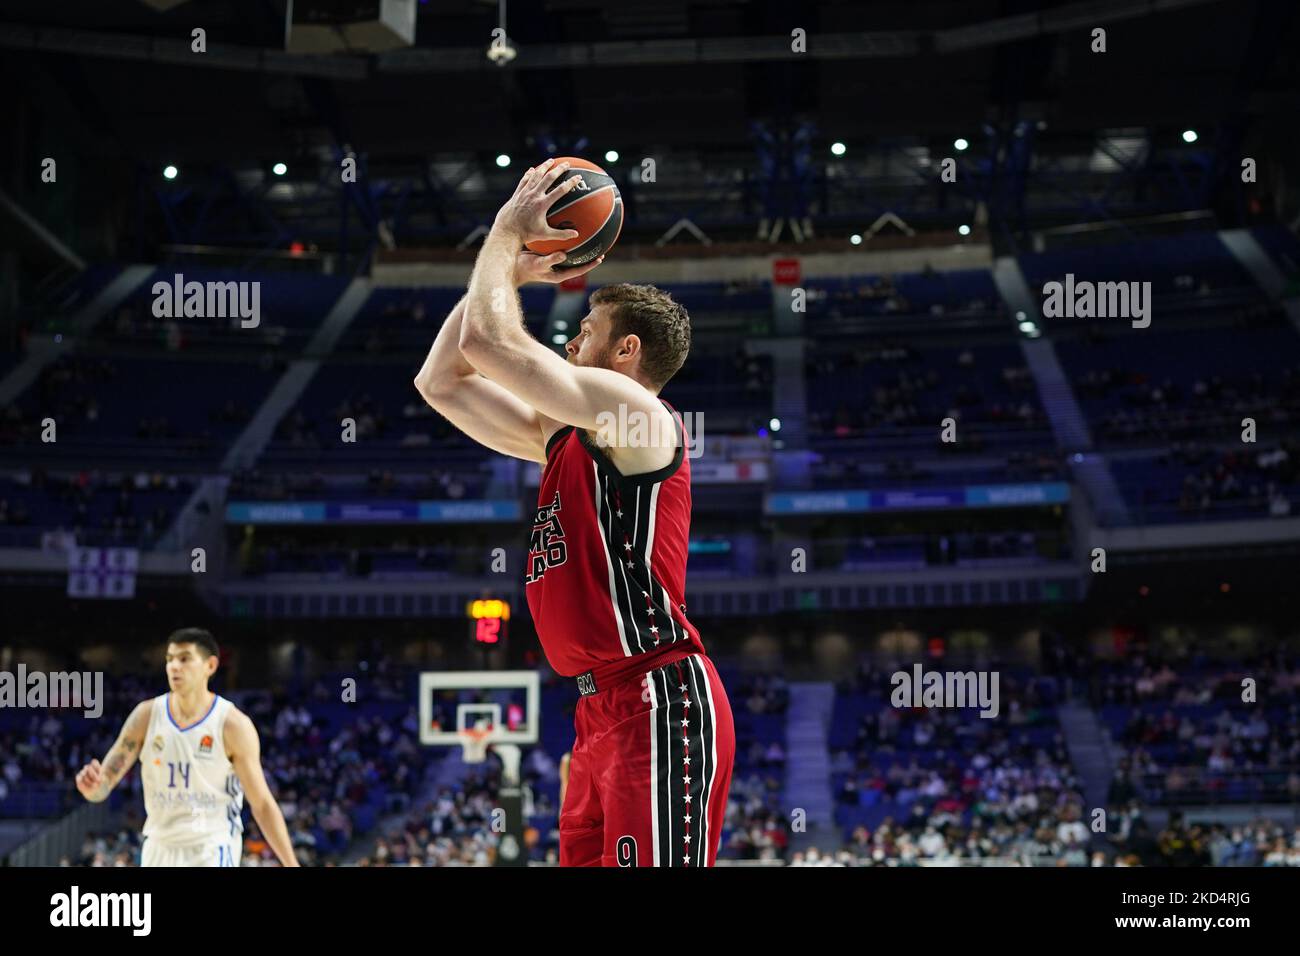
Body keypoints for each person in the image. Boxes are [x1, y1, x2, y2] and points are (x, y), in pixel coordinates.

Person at [414, 158, 735, 866]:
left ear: (627, 351)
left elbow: (487, 345)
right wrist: (512, 274)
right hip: (597, 712)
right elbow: (440, 380)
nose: (569, 341)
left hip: (659, 695)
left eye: (584, 331)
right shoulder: (565, 438)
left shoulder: (637, 414)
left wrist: (505, 236)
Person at [74, 627, 299, 867]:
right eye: (170, 659)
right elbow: (104, 783)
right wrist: (92, 788)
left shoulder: (232, 725)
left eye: (184, 659)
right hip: (159, 847)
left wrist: (291, 864)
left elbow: (262, 803)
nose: (174, 666)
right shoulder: (145, 716)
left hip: (211, 847)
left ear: (210, 666)